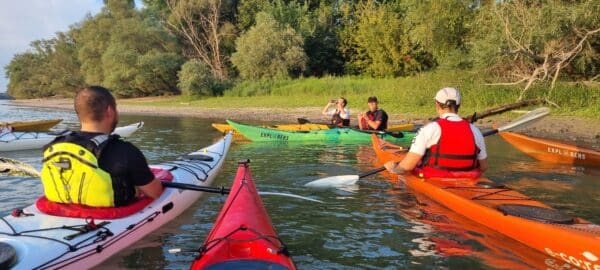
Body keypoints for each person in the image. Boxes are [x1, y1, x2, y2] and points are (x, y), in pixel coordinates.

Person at [40, 86, 163, 207]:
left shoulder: (54, 145)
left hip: (58, 215)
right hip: (112, 219)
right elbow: (155, 193)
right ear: (110, 111)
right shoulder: (124, 150)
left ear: (78, 113)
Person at [384, 87, 488, 175]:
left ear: (437, 105)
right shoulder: (475, 130)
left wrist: (393, 169)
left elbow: (406, 167)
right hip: (469, 180)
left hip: (434, 179)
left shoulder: (429, 129)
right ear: (458, 106)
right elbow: (483, 167)